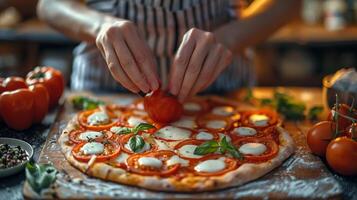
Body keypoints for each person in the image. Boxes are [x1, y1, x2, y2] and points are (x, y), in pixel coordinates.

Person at [37, 0, 299, 102]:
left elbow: (289, 5)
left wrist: (229, 38)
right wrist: (98, 26)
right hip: (104, 96)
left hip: (224, 95)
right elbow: (49, 5)